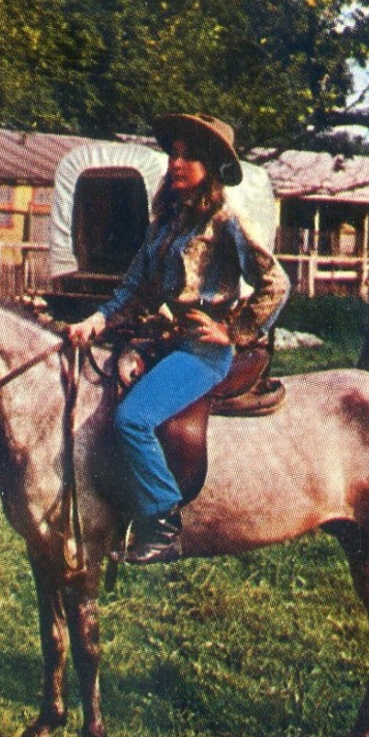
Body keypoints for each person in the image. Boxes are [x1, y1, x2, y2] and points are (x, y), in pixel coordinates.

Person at [65, 113, 289, 564]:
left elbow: (276, 283)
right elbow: (133, 289)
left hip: (204, 352)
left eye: (190, 156)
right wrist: (95, 322)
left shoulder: (226, 218)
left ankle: (162, 521)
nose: (177, 163)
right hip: (167, 340)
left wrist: (234, 331)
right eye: (174, 153)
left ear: (210, 167)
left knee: (133, 418)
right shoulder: (165, 222)